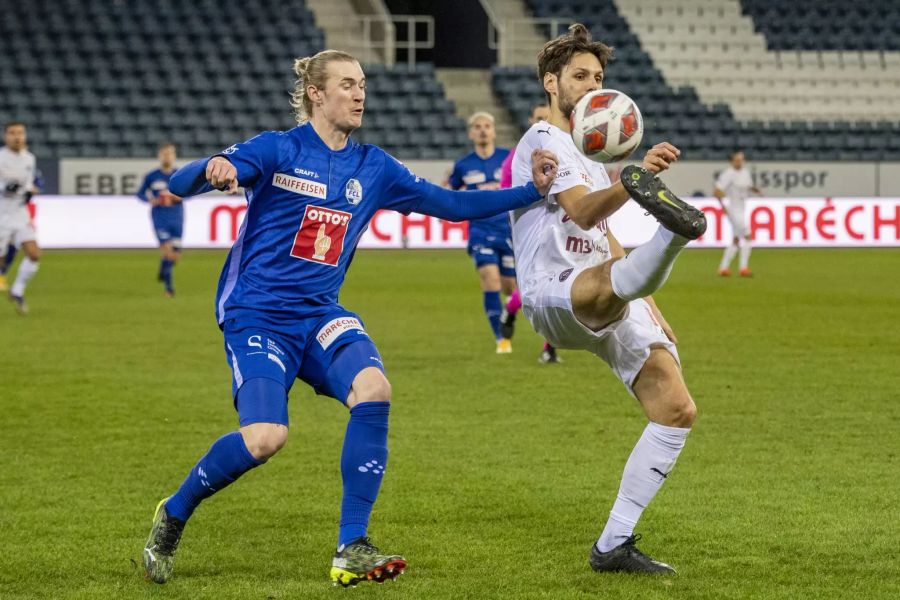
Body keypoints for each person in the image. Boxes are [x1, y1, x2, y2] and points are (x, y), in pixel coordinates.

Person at [142, 49, 559, 587]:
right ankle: (173, 514)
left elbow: (448, 204)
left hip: (320, 314)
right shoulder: (278, 148)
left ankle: (351, 545)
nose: (359, 94)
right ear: (316, 93)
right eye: (346, 84)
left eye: (362, 84)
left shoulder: (375, 167)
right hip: (258, 317)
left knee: (374, 388)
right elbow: (181, 185)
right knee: (266, 437)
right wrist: (210, 168)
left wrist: (533, 190)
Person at [510, 24, 706, 574]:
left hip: (610, 288)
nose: (592, 84)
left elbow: (605, 239)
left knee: (675, 409)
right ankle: (671, 235)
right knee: (606, 291)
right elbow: (583, 212)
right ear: (552, 83)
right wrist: (633, 181)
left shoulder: (592, 155)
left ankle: (613, 545)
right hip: (552, 292)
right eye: (579, 76)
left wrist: (650, 304)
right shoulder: (543, 139)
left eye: (598, 76)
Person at [498, 103, 562, 364]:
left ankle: (550, 347)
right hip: (529, 230)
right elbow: (505, 195)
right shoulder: (516, 157)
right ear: (531, 122)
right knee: (534, 287)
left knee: (558, 283)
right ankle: (511, 308)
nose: (543, 124)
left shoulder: (566, 153)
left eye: (548, 119)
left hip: (561, 229)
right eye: (539, 119)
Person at [448, 112, 515, 353]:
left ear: (494, 131)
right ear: (471, 133)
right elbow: (451, 193)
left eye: (487, 126)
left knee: (510, 286)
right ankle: (501, 339)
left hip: (508, 230)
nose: (483, 130)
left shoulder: (508, 158)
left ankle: (508, 314)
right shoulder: (463, 165)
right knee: (490, 278)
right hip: (480, 230)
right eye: (478, 126)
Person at [0, 122, 42, 315]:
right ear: (5, 136)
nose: (17, 137)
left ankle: (17, 291)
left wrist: (30, 191)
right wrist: (14, 188)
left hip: (20, 214)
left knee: (34, 254)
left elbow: (30, 183)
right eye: (12, 133)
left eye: (20, 133)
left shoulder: (29, 159)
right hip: (1, 214)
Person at [137, 143, 183, 296]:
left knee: (175, 257)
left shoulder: (180, 175)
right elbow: (140, 193)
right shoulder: (152, 176)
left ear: (174, 155)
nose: (167, 156)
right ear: (159, 156)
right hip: (160, 218)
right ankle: (169, 289)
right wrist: (151, 200)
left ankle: (163, 270)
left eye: (170, 153)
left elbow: (188, 194)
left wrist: (177, 197)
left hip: (177, 218)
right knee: (168, 252)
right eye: (164, 154)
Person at [714, 149, 761, 277]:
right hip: (734, 209)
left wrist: (756, 190)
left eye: (742, 159)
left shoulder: (745, 172)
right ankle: (743, 267)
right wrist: (723, 206)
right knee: (748, 236)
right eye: (738, 160)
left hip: (742, 208)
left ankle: (723, 268)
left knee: (735, 239)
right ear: (732, 161)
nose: (740, 162)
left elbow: (748, 186)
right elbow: (717, 191)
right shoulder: (728, 174)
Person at [0, 165, 41, 291]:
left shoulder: (29, 168)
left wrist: (31, 190)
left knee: (15, 246)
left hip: (20, 210)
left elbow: (38, 186)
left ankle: (2, 275)